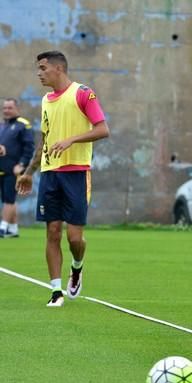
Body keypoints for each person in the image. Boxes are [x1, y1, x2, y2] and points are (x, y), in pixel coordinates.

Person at [16, 50, 110, 307]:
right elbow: (45, 140)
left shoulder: (82, 93)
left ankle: (77, 268)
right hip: (49, 174)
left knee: (75, 239)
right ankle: (56, 291)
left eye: (43, 68)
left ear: (59, 68)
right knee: (53, 232)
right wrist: (28, 173)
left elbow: (103, 129)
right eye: (38, 68)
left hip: (76, 174)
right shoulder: (46, 100)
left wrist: (71, 139)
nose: (39, 73)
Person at [0, 98, 35, 238]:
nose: (6, 110)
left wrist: (22, 164)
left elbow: (29, 147)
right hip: (2, 168)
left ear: (17, 109)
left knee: (9, 199)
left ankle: (2, 228)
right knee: (8, 199)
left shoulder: (23, 125)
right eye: (4, 108)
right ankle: (13, 229)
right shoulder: (3, 125)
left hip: (14, 169)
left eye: (9, 108)